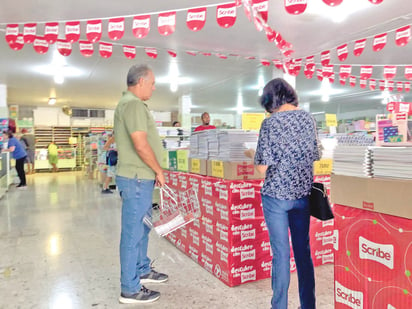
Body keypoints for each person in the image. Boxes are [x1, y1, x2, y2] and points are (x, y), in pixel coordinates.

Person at [245, 78, 320, 309]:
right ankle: (308, 305)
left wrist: (251, 154)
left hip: (276, 197)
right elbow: (315, 156)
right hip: (303, 196)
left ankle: (279, 306)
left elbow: (262, 169)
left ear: (271, 100)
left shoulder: (270, 123)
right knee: (303, 253)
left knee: (281, 255)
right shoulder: (309, 119)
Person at [114, 64, 168, 304]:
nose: (154, 87)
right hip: (136, 178)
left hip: (141, 178)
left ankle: (142, 269)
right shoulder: (134, 104)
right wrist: (158, 169)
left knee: (142, 227)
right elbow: (140, 143)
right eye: (152, 82)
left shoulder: (132, 104)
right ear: (141, 82)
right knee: (133, 231)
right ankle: (130, 288)